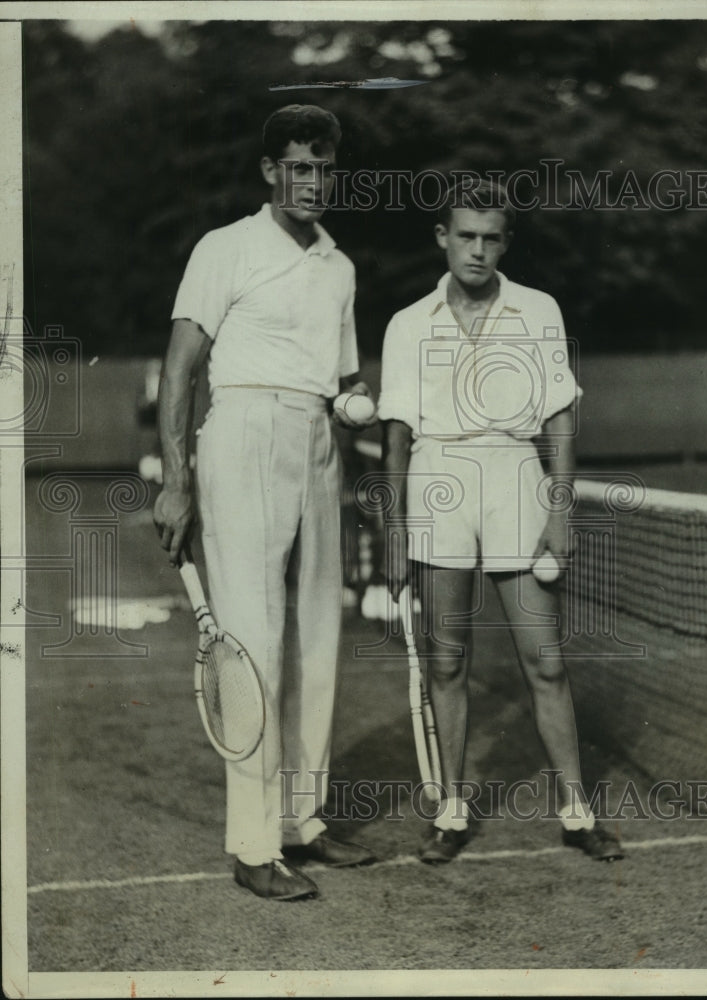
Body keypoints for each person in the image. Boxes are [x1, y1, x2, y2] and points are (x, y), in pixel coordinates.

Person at [153, 104, 377, 902]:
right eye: (297, 167)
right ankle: (252, 845)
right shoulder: (225, 248)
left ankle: (301, 823)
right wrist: (178, 480)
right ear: (270, 171)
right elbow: (179, 370)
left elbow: (345, 382)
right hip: (242, 432)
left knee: (320, 635)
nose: (312, 182)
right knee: (253, 640)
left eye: (324, 168)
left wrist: (355, 409)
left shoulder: (339, 267)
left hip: (318, 443)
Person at [378, 180, 624, 864]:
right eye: (466, 235)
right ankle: (452, 813)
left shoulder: (538, 309)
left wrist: (560, 508)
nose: (478, 250)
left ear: (505, 242)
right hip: (438, 482)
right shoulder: (407, 322)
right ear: (442, 237)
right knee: (448, 660)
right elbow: (395, 438)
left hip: (517, 476)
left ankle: (577, 812)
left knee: (544, 661)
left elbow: (560, 419)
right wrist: (396, 535)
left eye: (491, 237)